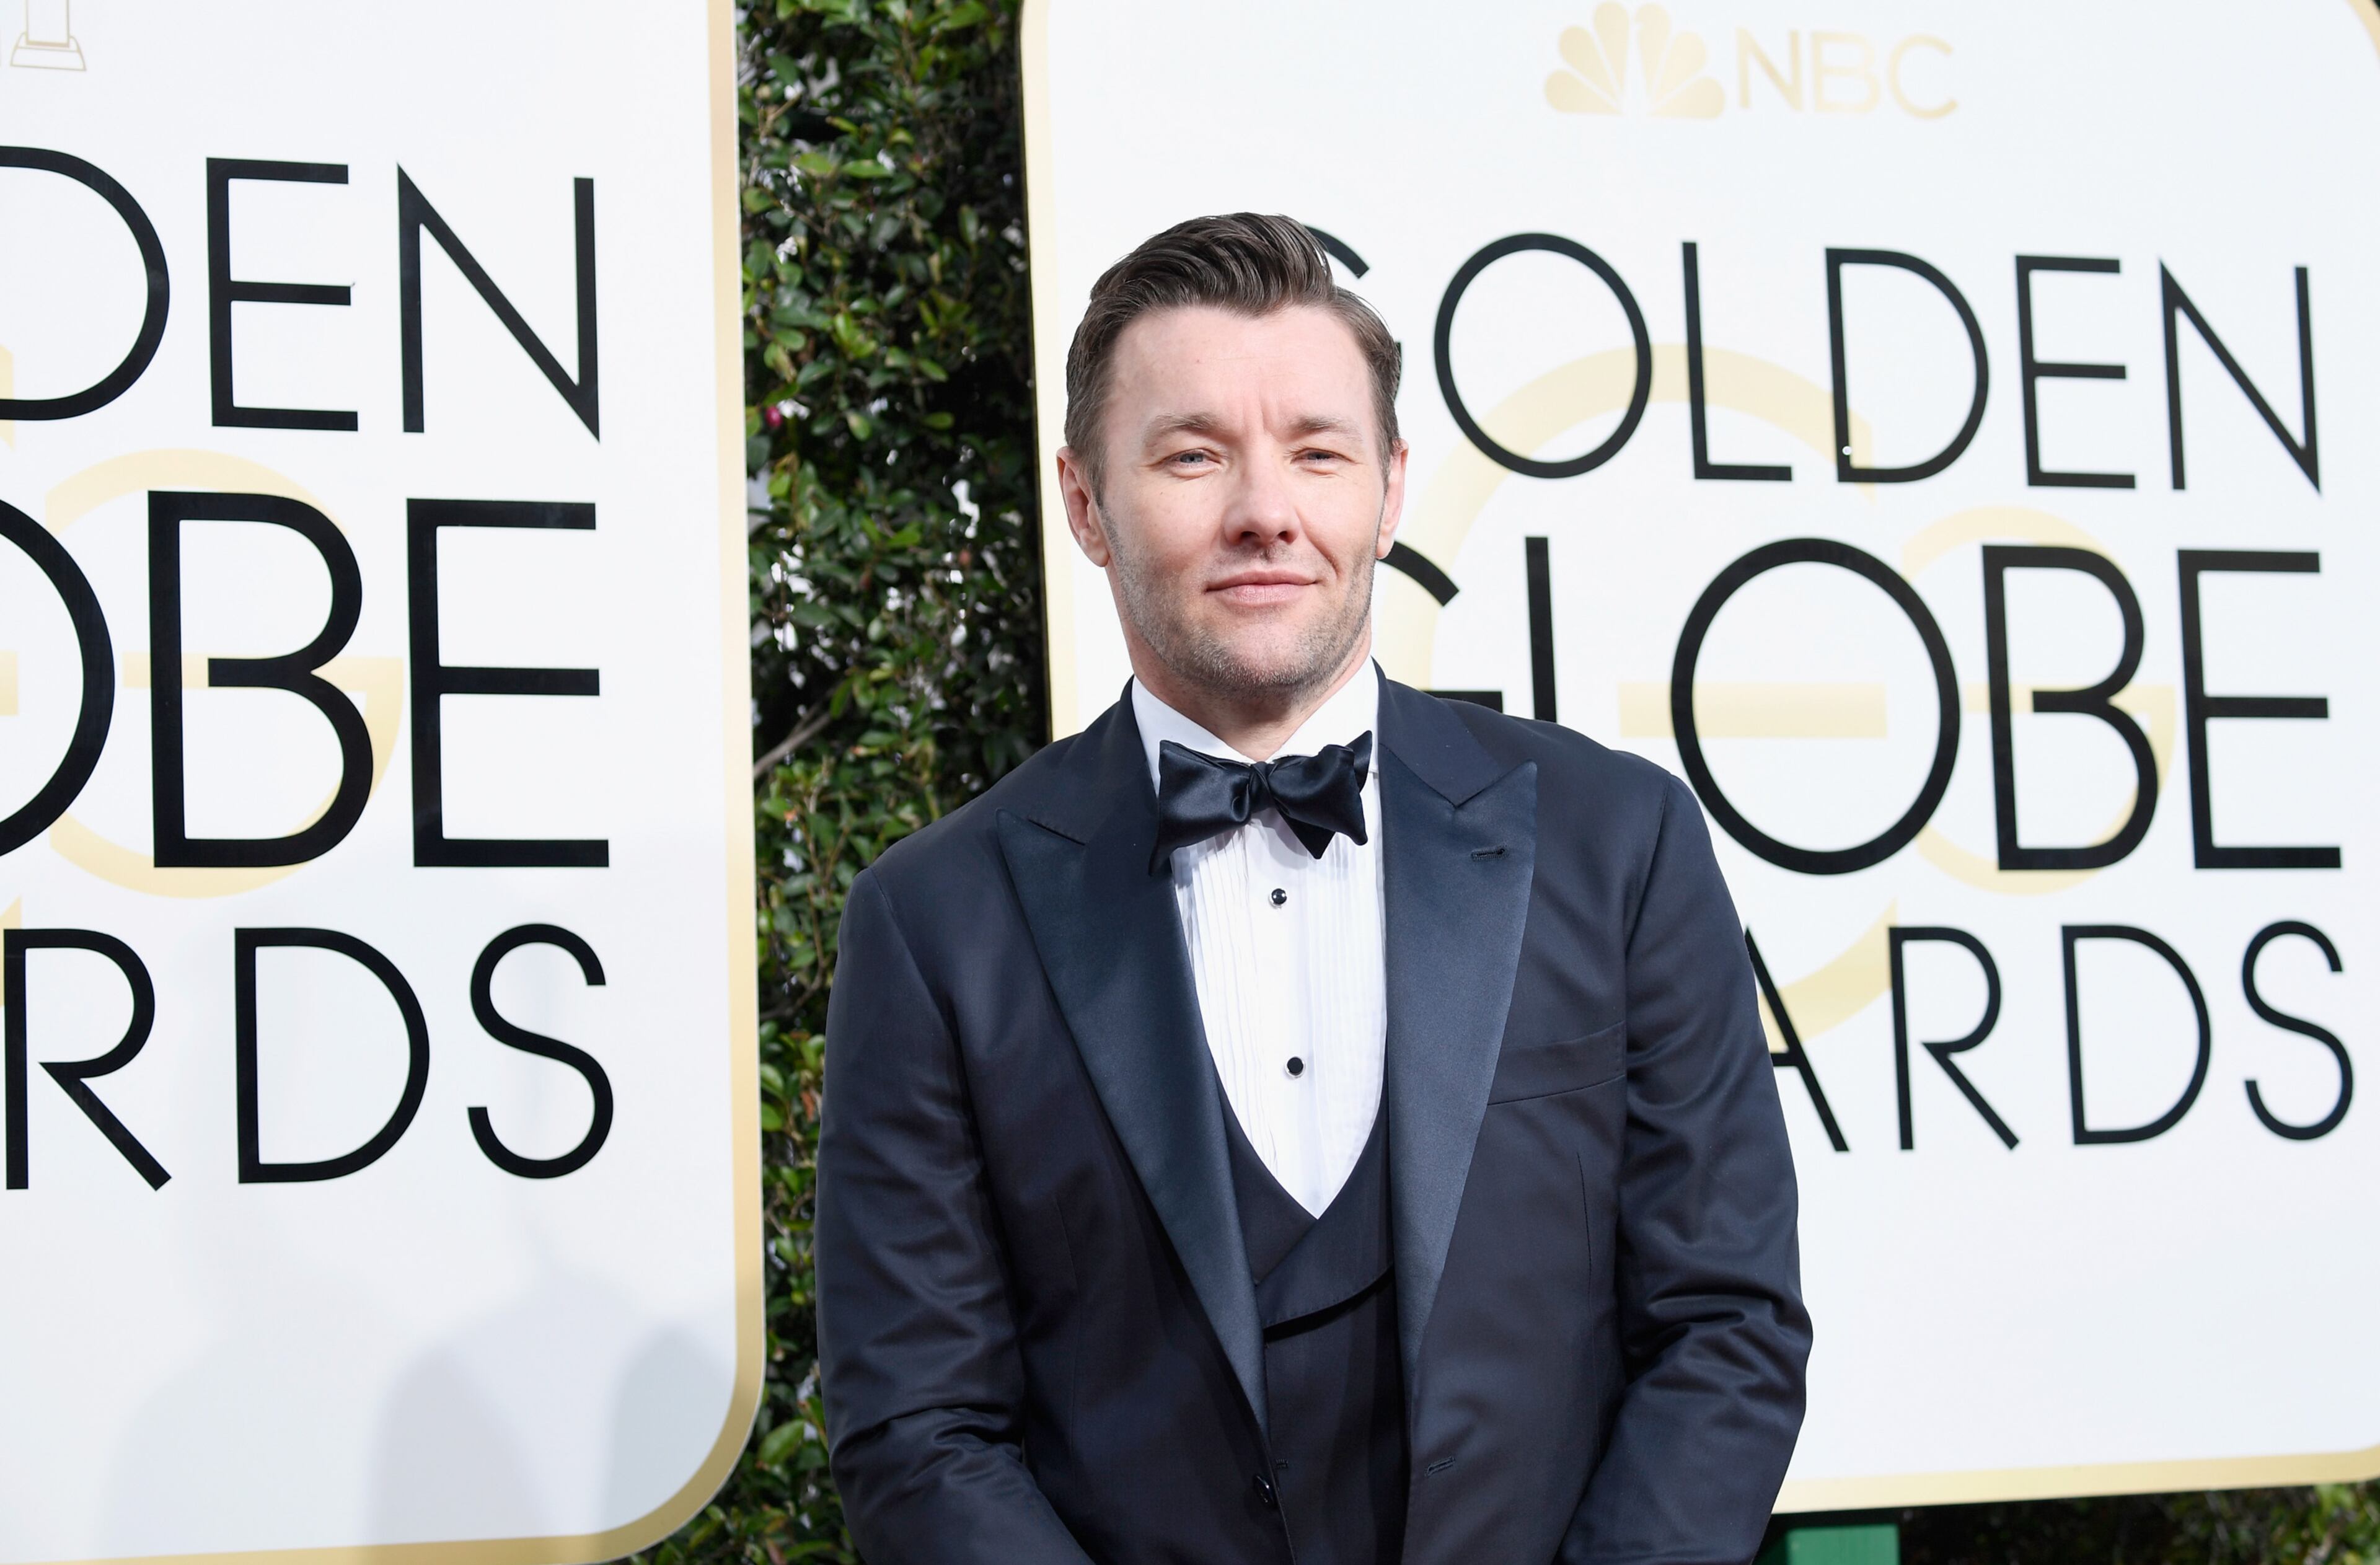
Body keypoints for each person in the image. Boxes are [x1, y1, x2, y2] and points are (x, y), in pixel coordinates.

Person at [816, 213, 1810, 1565]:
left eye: (1319, 451)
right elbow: (918, 1427)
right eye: (1193, 454)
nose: (1265, 511)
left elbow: (1726, 1325)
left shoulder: (1618, 844)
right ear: (1085, 504)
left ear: (1390, 491)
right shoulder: (937, 922)